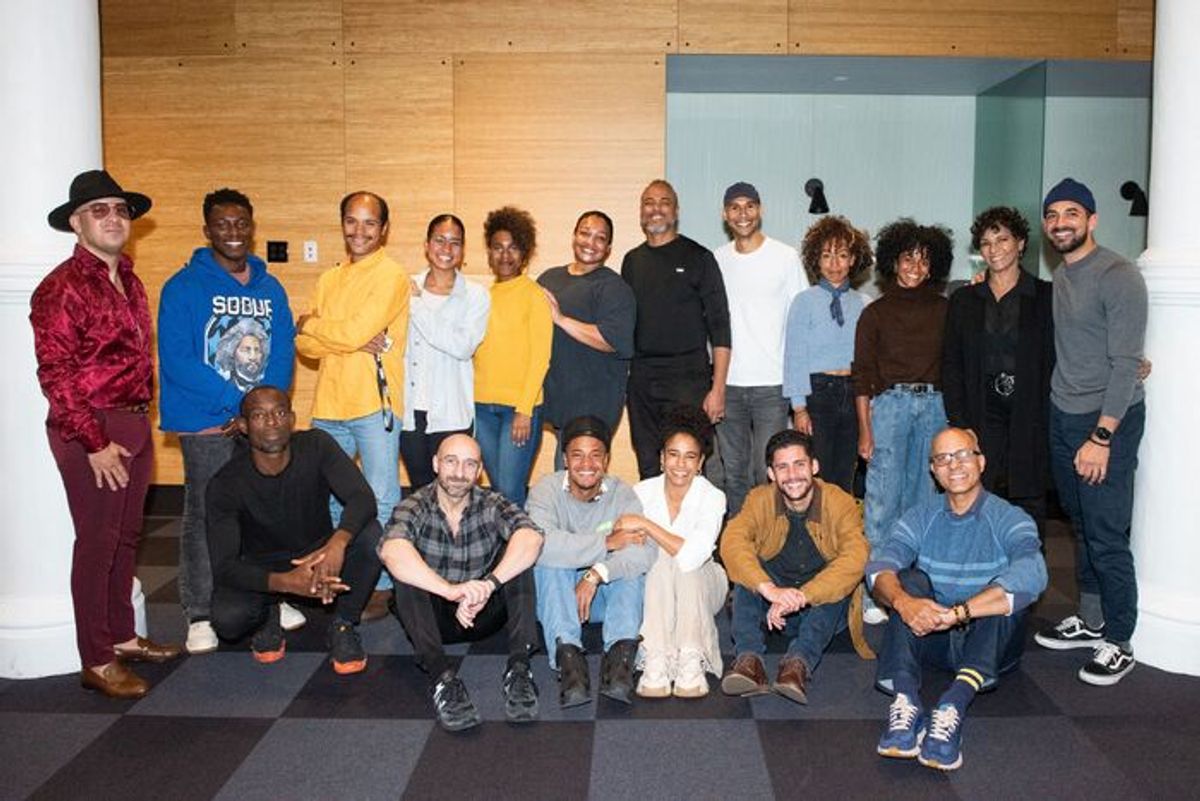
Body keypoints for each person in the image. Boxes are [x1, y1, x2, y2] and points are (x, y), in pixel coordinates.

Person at [31, 169, 181, 698]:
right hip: (93, 427)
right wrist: (93, 441)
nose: (113, 218)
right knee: (97, 543)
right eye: (99, 211)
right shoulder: (61, 287)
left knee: (127, 536)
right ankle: (96, 658)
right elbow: (56, 374)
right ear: (76, 223)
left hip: (134, 420)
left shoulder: (130, 281)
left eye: (120, 209)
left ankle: (121, 635)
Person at [157, 187, 298, 655]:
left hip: (260, 421)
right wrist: (240, 406)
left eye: (241, 223)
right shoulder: (182, 287)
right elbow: (178, 359)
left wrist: (260, 411)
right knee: (204, 513)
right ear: (207, 230)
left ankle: (275, 596)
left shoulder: (270, 288)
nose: (233, 232)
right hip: (208, 422)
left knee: (266, 511)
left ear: (252, 229)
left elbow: (282, 352)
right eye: (222, 224)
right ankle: (199, 611)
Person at [869, 427, 1047, 771]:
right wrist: (905, 602)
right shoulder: (920, 515)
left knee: (1004, 592)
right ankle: (906, 701)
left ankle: (953, 704)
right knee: (906, 582)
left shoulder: (1009, 517)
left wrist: (961, 612)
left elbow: (1034, 571)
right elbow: (880, 567)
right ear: (933, 470)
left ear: (981, 462)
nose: (954, 465)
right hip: (934, 636)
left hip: (990, 642)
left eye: (964, 455)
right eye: (943, 458)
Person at [1033, 178, 1148, 687]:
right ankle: (1092, 618)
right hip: (1063, 413)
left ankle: (1120, 639)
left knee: (1106, 534)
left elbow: (1125, 362)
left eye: (1071, 213)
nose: (1061, 223)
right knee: (1080, 525)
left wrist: (1102, 437)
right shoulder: (1062, 275)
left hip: (1104, 422)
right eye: (1053, 214)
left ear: (1092, 220)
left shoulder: (1118, 274)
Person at [206, 387, 383, 675]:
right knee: (228, 618)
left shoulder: (316, 445)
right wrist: (286, 583)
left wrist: (337, 544)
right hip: (263, 568)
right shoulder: (225, 484)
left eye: (279, 413)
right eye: (259, 415)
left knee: (371, 535)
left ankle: (343, 624)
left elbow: (362, 498)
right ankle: (268, 615)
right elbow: (224, 567)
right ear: (243, 426)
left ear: (291, 419)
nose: (272, 422)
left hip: (317, 553)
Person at [295, 190, 410, 620]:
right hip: (329, 403)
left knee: (381, 497)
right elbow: (304, 345)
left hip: (373, 404)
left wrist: (315, 325)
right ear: (342, 223)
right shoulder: (329, 278)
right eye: (351, 221)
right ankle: (336, 575)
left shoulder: (391, 275)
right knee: (328, 498)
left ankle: (380, 586)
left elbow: (347, 332)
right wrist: (335, 335)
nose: (359, 231)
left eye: (369, 222)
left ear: (384, 229)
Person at [380, 434, 544, 731]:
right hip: (434, 619)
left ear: (479, 470)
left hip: (483, 610)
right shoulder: (414, 504)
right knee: (407, 572)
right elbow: (391, 550)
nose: (459, 473)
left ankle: (520, 669)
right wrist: (450, 591)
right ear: (436, 464)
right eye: (451, 462)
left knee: (519, 555)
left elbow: (532, 537)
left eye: (469, 464)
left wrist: (489, 585)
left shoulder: (492, 502)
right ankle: (442, 679)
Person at [719, 430, 872, 705]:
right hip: (771, 606)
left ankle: (797, 664)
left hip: (819, 611)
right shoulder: (759, 499)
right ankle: (749, 661)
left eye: (799, 464)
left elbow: (856, 556)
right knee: (746, 573)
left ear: (814, 466)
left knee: (837, 582)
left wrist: (803, 595)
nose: (792, 475)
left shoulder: (839, 502)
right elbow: (732, 540)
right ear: (771, 473)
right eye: (782, 467)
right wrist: (769, 589)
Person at [853, 219, 953, 622]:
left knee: (927, 502)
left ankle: (918, 587)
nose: (915, 267)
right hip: (889, 408)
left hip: (935, 407)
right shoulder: (875, 313)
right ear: (893, 262)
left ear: (934, 267)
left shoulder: (946, 310)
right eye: (908, 258)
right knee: (882, 502)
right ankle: (876, 592)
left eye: (924, 261)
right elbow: (862, 376)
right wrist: (865, 430)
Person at [527, 416, 652, 706]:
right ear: (565, 460)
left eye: (596, 455)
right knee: (550, 564)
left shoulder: (623, 494)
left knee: (630, 570)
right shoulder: (545, 490)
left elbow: (642, 552)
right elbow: (541, 545)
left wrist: (596, 573)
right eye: (577, 455)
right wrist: (606, 543)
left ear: (606, 460)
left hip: (603, 599)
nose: (587, 464)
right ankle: (570, 663)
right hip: (559, 600)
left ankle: (620, 662)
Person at [942, 207, 1054, 526]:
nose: (994, 249)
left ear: (1020, 243)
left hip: (1030, 415)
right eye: (986, 243)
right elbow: (951, 365)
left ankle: (1028, 558)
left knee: (1029, 505)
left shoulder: (1047, 297)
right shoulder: (963, 300)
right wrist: (960, 422)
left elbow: (1068, 351)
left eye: (1003, 239)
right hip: (980, 415)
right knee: (979, 501)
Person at [622, 179, 732, 480]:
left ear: (676, 211)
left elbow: (720, 327)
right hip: (642, 381)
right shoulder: (631, 261)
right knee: (648, 463)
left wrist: (718, 389)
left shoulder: (699, 257)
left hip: (688, 379)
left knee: (688, 465)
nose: (656, 209)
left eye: (664, 202)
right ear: (641, 212)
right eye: (648, 203)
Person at [616, 406, 728, 699]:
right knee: (660, 558)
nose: (680, 464)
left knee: (682, 561)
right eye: (673, 454)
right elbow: (626, 539)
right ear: (662, 458)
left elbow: (693, 556)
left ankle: (691, 657)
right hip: (658, 587)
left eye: (690, 457)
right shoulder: (641, 492)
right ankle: (656, 657)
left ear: (700, 462)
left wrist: (646, 525)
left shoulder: (713, 497)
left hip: (705, 583)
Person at [714, 182, 807, 516]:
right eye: (735, 207)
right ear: (725, 214)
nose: (743, 214)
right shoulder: (716, 260)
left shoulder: (785, 257)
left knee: (767, 472)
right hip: (728, 384)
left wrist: (798, 395)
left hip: (772, 385)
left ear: (760, 210)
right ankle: (741, 540)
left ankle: (771, 538)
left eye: (749, 206)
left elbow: (800, 323)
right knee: (734, 473)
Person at [538, 210, 636, 467]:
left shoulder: (614, 288)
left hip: (592, 406)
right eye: (585, 233)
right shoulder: (549, 278)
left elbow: (613, 340)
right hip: (557, 399)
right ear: (574, 236)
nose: (590, 243)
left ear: (608, 248)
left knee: (574, 475)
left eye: (599, 238)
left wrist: (561, 319)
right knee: (562, 477)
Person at [784, 215, 874, 494]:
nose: (834, 264)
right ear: (816, 259)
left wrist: (869, 405)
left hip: (854, 392)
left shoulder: (865, 304)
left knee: (847, 470)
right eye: (827, 256)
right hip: (818, 393)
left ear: (853, 259)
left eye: (842, 255)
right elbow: (794, 356)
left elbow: (870, 359)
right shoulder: (804, 301)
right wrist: (799, 408)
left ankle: (841, 521)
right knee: (818, 469)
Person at [400, 213, 490, 490]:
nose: (446, 249)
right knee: (421, 490)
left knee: (455, 490)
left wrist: (417, 306)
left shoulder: (476, 295)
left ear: (463, 250)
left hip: (452, 411)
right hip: (410, 410)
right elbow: (394, 341)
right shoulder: (405, 287)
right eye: (440, 240)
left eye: (455, 243)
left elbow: (462, 346)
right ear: (427, 245)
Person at [472, 206, 552, 507]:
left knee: (509, 489)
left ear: (525, 253)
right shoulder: (481, 297)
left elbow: (540, 357)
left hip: (518, 410)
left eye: (513, 248)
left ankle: (521, 539)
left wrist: (524, 410)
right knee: (498, 489)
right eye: (498, 247)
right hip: (481, 408)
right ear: (489, 253)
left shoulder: (534, 295)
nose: (505, 255)